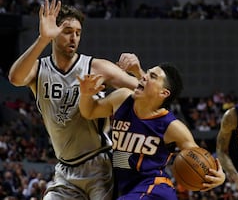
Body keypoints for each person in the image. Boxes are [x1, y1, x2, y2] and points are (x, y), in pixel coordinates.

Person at [8, 0, 143, 199]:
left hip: (99, 164)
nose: (74, 38)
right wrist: (42, 39)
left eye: (78, 33)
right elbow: (15, 78)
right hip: (65, 169)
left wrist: (138, 71)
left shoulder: (97, 67)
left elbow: (147, 91)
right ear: (54, 33)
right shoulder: (38, 69)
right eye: (67, 32)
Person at [77, 64, 226, 200]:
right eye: (147, 73)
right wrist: (85, 94)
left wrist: (220, 177)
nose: (143, 76)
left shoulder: (172, 126)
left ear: (163, 93)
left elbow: (198, 158)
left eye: (152, 76)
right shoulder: (121, 98)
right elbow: (89, 111)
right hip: (126, 187)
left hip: (155, 189)